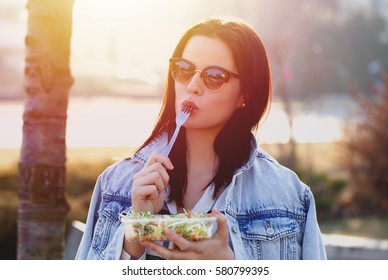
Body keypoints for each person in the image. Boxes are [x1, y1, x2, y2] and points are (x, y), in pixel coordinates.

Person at [75, 16, 327, 260]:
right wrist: (134, 236)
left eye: (214, 76)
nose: (192, 86)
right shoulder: (116, 185)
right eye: (183, 70)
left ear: (245, 95)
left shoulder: (288, 196)